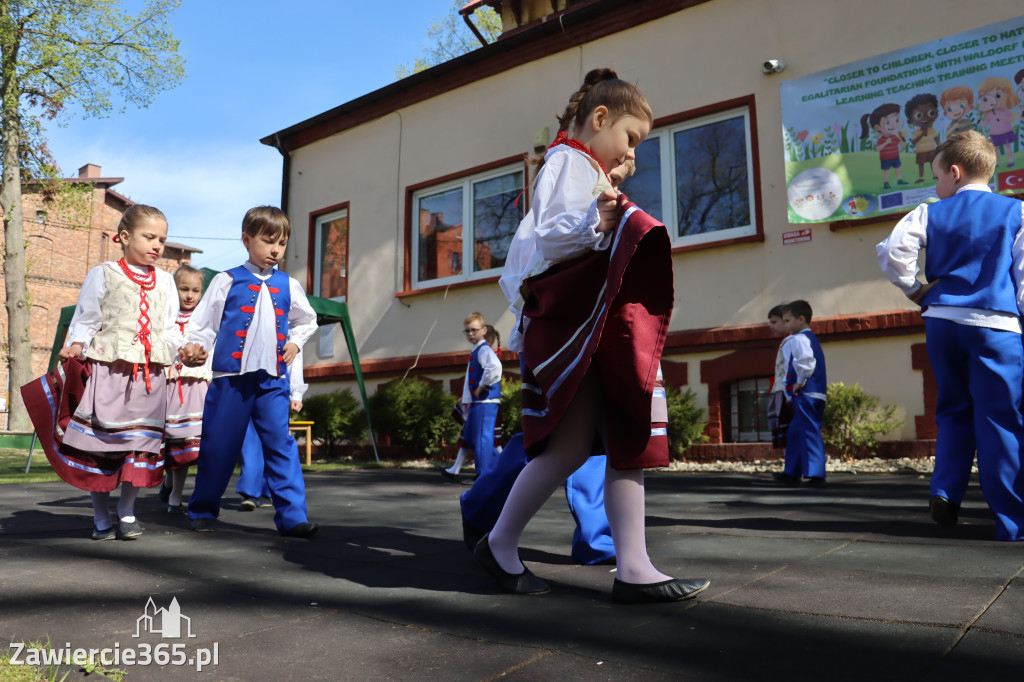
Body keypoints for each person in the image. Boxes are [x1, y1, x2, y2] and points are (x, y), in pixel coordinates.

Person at [480, 68, 710, 603]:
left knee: (611, 443)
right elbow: (555, 237)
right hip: (575, 327)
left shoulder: (587, 168)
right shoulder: (567, 161)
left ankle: (632, 564)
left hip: (591, 324)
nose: (632, 153)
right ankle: (501, 543)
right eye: (630, 139)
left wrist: (608, 202)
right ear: (600, 119)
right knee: (572, 449)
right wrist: (602, 220)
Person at [877, 130, 1024, 542]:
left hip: (943, 320)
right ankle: (1012, 523)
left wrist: (916, 289)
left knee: (953, 410)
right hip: (997, 325)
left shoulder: (929, 212)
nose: (936, 186)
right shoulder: (1016, 212)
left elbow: (893, 252)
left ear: (955, 173)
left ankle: (945, 491)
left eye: (937, 177)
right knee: (1001, 419)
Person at [180, 206, 319, 538]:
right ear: (247, 240)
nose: (276, 250)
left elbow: (308, 320)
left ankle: (293, 516)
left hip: (272, 379)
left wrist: (296, 343)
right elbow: (202, 326)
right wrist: (194, 349)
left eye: (282, 243)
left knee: (280, 444)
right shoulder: (226, 280)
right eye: (268, 241)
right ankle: (202, 508)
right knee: (219, 444)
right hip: (231, 378)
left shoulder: (289, 284)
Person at [53, 205, 184, 540]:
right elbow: (86, 318)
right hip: (110, 371)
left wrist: (182, 351)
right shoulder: (105, 273)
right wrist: (76, 345)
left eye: (162, 240)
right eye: (149, 237)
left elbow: (169, 329)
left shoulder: (166, 281)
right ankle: (100, 516)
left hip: (150, 376)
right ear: (125, 237)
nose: (158, 245)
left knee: (139, 444)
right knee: (103, 445)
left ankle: (126, 511)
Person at [160, 265, 209, 514]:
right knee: (171, 440)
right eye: (184, 289)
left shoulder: (203, 320)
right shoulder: (166, 319)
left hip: (196, 385)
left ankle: (176, 495)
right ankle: (169, 480)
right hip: (171, 384)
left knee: (188, 442)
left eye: (195, 290)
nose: (190, 295)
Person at [237, 350, 307, 510]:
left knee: (272, 441)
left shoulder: (290, 327)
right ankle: (252, 492)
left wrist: (296, 393)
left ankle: (263, 491)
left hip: (272, 381)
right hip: (253, 380)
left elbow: (295, 355)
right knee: (255, 440)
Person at [771, 300, 827, 487]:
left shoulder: (799, 339)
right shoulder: (808, 338)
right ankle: (791, 472)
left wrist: (799, 382)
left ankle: (816, 474)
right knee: (795, 431)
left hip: (807, 394)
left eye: (787, 321)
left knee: (809, 431)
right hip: (812, 393)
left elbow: (805, 362)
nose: (785, 325)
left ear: (801, 319)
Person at [442, 312, 502, 479]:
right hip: (477, 402)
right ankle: (503, 468)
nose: (470, 334)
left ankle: (483, 475)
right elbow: (471, 377)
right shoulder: (476, 350)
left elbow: (495, 368)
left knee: (482, 438)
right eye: (467, 331)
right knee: (470, 435)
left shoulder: (484, 350)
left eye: (474, 330)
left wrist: (482, 386)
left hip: (486, 401)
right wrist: (467, 398)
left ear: (484, 331)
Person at [765, 304, 794, 450]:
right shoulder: (785, 341)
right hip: (780, 391)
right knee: (784, 432)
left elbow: (792, 368)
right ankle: (790, 466)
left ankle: (794, 467)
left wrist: (789, 393)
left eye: (774, 322)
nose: (771, 326)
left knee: (789, 431)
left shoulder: (791, 341)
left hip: (785, 392)